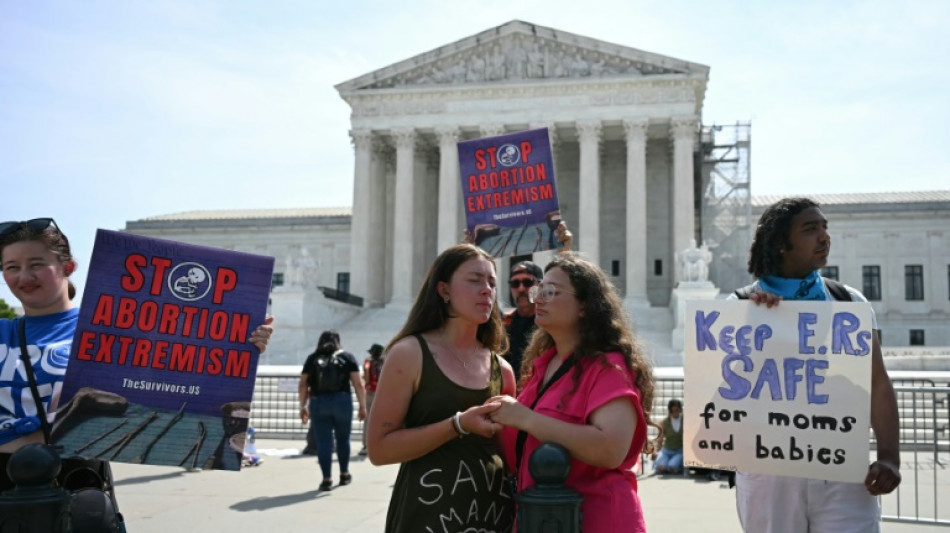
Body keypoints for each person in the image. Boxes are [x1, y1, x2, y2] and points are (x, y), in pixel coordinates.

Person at [0, 217, 275, 490]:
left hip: (72, 488)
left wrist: (240, 345)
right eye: (12, 267)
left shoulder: (113, 331)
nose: (24, 277)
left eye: (37, 265)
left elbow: (175, 383)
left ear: (68, 267)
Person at [730, 197, 901, 532]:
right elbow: (721, 388)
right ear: (781, 244)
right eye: (811, 229)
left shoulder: (849, 302)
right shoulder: (737, 306)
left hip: (844, 468)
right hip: (770, 471)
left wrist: (889, 456)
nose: (825, 237)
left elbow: (877, 383)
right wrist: (749, 321)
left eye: (825, 228)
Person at [489, 254, 656, 533]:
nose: (537, 299)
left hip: (596, 518)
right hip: (542, 517)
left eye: (551, 291)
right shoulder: (544, 365)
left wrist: (526, 419)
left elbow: (610, 449)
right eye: (538, 290)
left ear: (585, 306)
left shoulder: (608, 367)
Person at [367, 243, 516, 533]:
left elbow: (510, 456)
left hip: (494, 517)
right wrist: (458, 424)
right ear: (444, 290)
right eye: (474, 280)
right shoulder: (409, 355)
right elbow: (379, 450)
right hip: (426, 517)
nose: (487, 290)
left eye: (492, 282)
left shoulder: (502, 369)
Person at [299, 330, 366, 491]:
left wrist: (302, 406)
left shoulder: (312, 358)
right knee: (343, 439)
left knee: (323, 442)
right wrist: (363, 406)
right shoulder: (347, 357)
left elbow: (303, 384)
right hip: (342, 401)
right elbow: (358, 384)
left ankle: (326, 479)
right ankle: (344, 474)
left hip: (318, 402)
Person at [503, 260, 542, 382]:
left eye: (527, 282)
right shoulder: (504, 325)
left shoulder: (550, 325)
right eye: (515, 283)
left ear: (540, 286)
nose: (521, 288)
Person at [359, 343, 384, 456]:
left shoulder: (368, 361)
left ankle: (366, 445)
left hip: (371, 392)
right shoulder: (386, 361)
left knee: (368, 419)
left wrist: (368, 382)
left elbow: (366, 371)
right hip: (384, 392)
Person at [651, 398, 684, 475]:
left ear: (680, 410)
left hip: (679, 451)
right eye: (673, 411)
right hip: (666, 451)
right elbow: (660, 440)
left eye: (677, 410)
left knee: (672, 467)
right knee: (661, 468)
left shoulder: (685, 421)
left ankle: (677, 466)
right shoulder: (664, 422)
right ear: (670, 411)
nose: (675, 413)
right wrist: (655, 451)